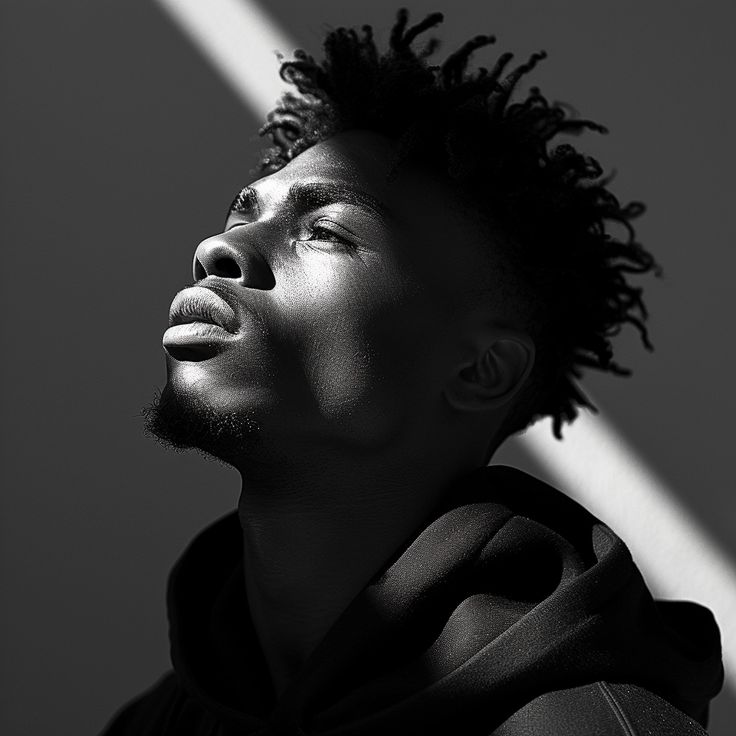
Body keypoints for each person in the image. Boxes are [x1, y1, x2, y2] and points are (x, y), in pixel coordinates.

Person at [99, 8, 723, 735]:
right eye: (243, 212)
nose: (219, 246)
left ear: (482, 369)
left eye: (325, 231)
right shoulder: (157, 723)